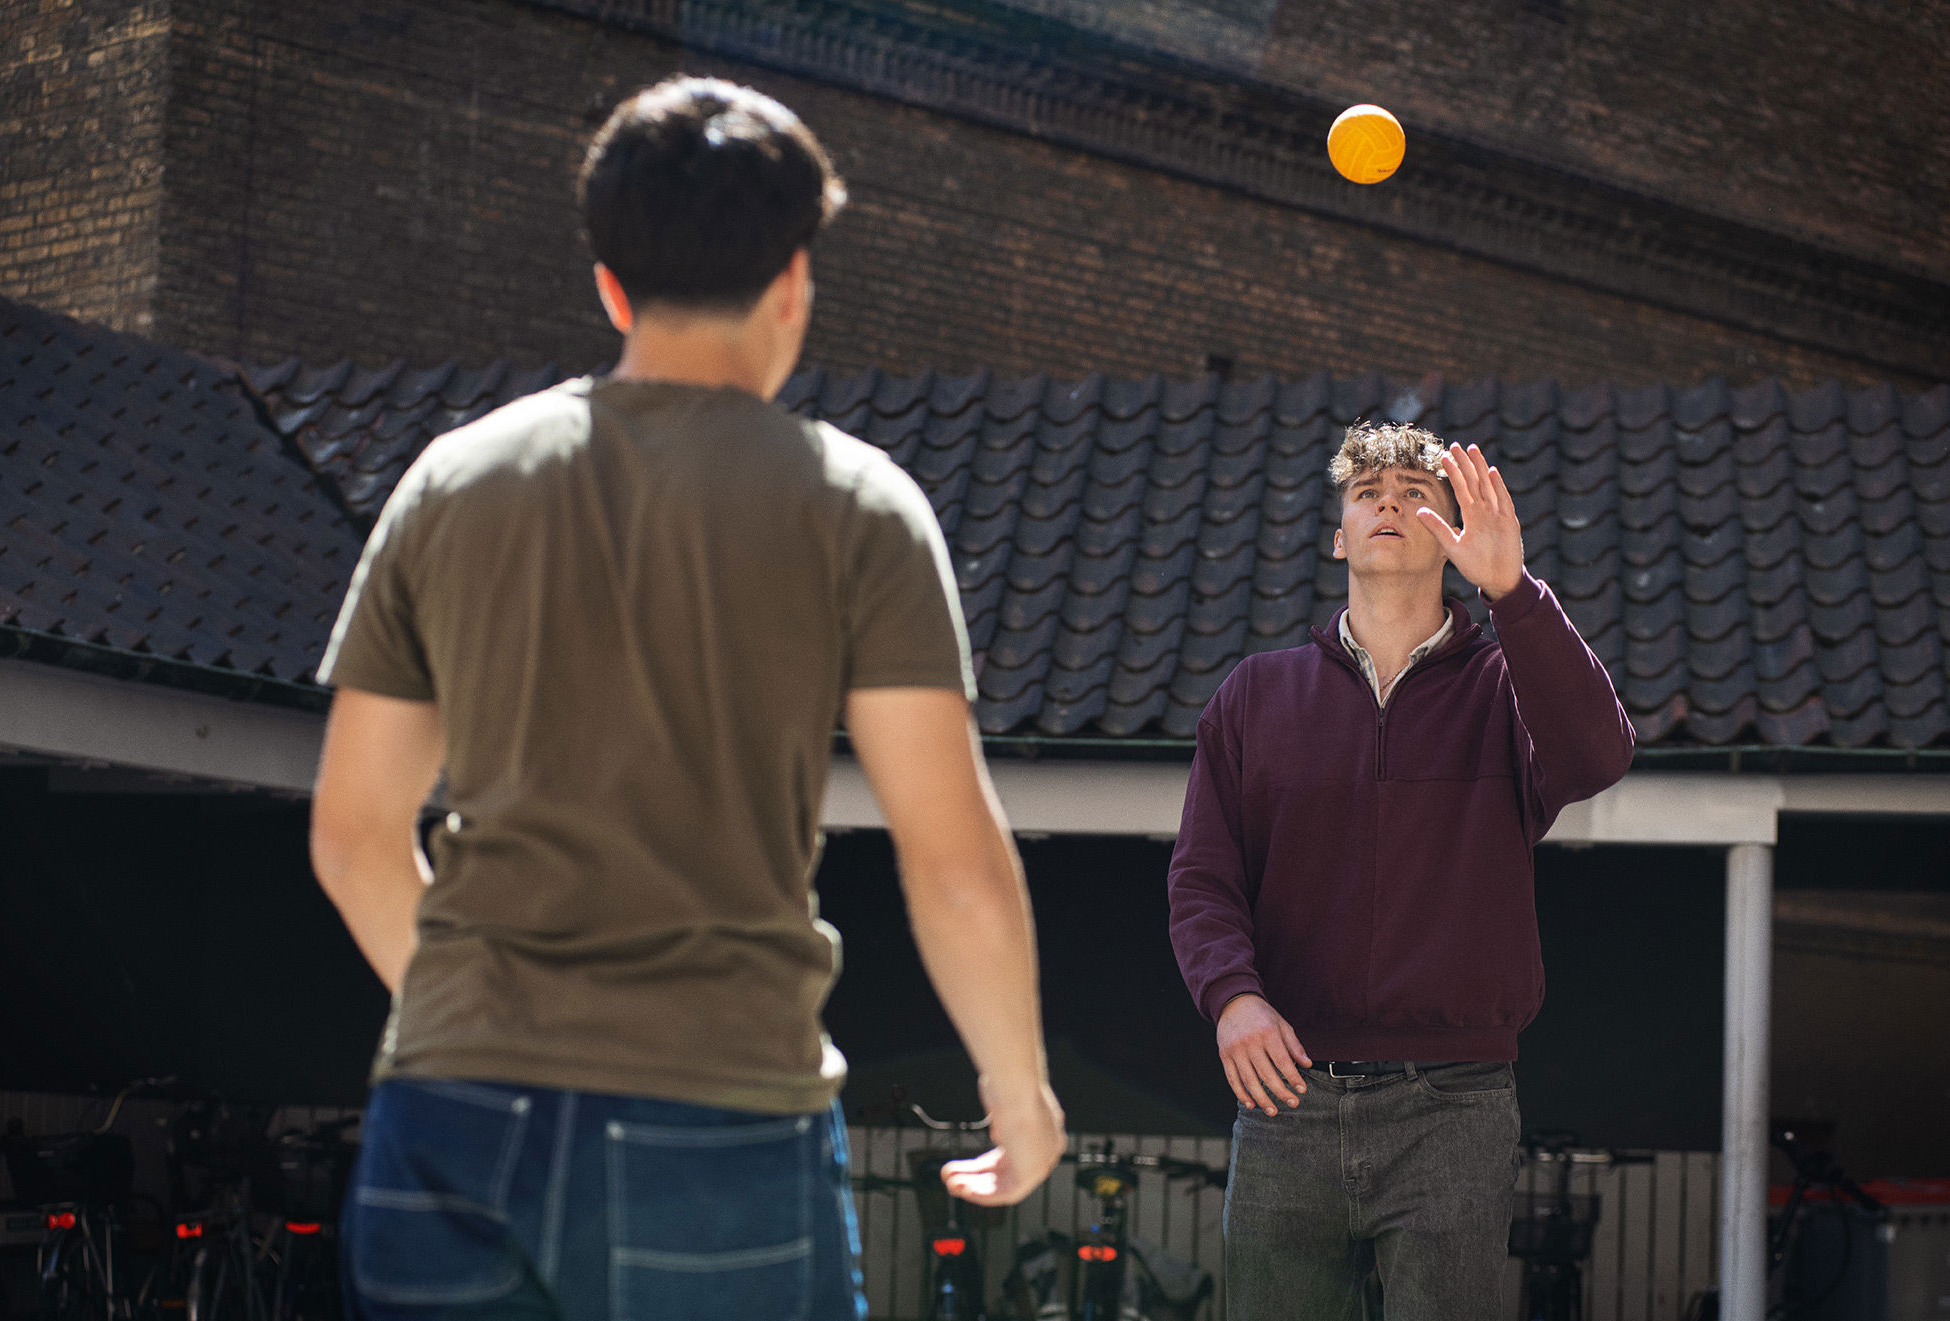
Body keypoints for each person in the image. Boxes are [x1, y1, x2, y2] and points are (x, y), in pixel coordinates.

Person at [308, 75, 1064, 1321]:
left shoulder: (453, 481)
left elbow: (350, 833)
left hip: (445, 1122)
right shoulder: (857, 508)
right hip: (716, 1119)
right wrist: (1019, 1088)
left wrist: (475, 1020)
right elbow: (953, 858)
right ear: (793, 281)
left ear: (609, 284)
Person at [1166, 421, 1634, 1320]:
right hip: (1286, 1103)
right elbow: (1201, 879)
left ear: (1450, 536)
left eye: (1416, 491)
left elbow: (1598, 754)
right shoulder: (1253, 696)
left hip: (1454, 1107)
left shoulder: (1508, 687)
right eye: (1368, 489)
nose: (1390, 499)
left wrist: (1513, 593)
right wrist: (1231, 996)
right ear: (1339, 536)